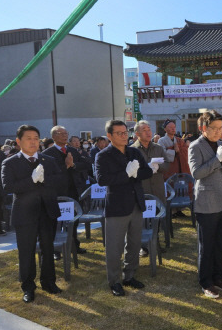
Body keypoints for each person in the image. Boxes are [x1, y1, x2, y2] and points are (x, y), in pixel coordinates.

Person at [1, 125, 62, 303]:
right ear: (18, 141)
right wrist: (31, 180)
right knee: (26, 251)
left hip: (46, 210)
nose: (33, 141)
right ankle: (28, 286)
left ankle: (49, 282)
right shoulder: (10, 162)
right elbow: (8, 187)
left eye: (36, 138)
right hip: (25, 213)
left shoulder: (48, 160)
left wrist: (44, 179)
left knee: (48, 248)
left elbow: (59, 180)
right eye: (29, 138)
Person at [95, 120, 153, 297]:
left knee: (134, 243)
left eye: (125, 132)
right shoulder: (103, 156)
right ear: (110, 136)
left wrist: (136, 173)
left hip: (136, 203)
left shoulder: (133, 152)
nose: (124, 136)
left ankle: (129, 275)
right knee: (114, 247)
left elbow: (148, 172)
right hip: (117, 206)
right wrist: (126, 174)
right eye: (119, 133)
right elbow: (102, 180)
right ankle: (114, 281)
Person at [188, 110, 222, 299]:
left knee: (221, 244)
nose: (219, 132)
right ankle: (206, 281)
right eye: (214, 128)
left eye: (221, 128)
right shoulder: (195, 146)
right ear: (203, 128)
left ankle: (219, 277)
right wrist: (217, 160)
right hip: (206, 203)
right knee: (207, 244)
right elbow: (197, 173)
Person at [42, 125, 93, 254]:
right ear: (54, 136)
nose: (65, 136)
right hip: (58, 192)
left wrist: (73, 165)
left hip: (74, 190)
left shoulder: (73, 150)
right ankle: (56, 250)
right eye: (61, 133)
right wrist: (65, 166)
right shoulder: (47, 154)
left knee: (73, 220)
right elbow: (49, 175)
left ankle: (74, 245)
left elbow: (86, 164)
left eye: (66, 133)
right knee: (57, 221)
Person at [132, 120, 170, 205]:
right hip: (142, 190)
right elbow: (131, 173)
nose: (148, 132)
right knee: (142, 217)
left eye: (149, 129)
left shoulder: (158, 148)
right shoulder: (132, 150)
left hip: (158, 189)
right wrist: (146, 169)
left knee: (159, 215)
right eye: (144, 130)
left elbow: (167, 165)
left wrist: (158, 167)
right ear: (137, 134)